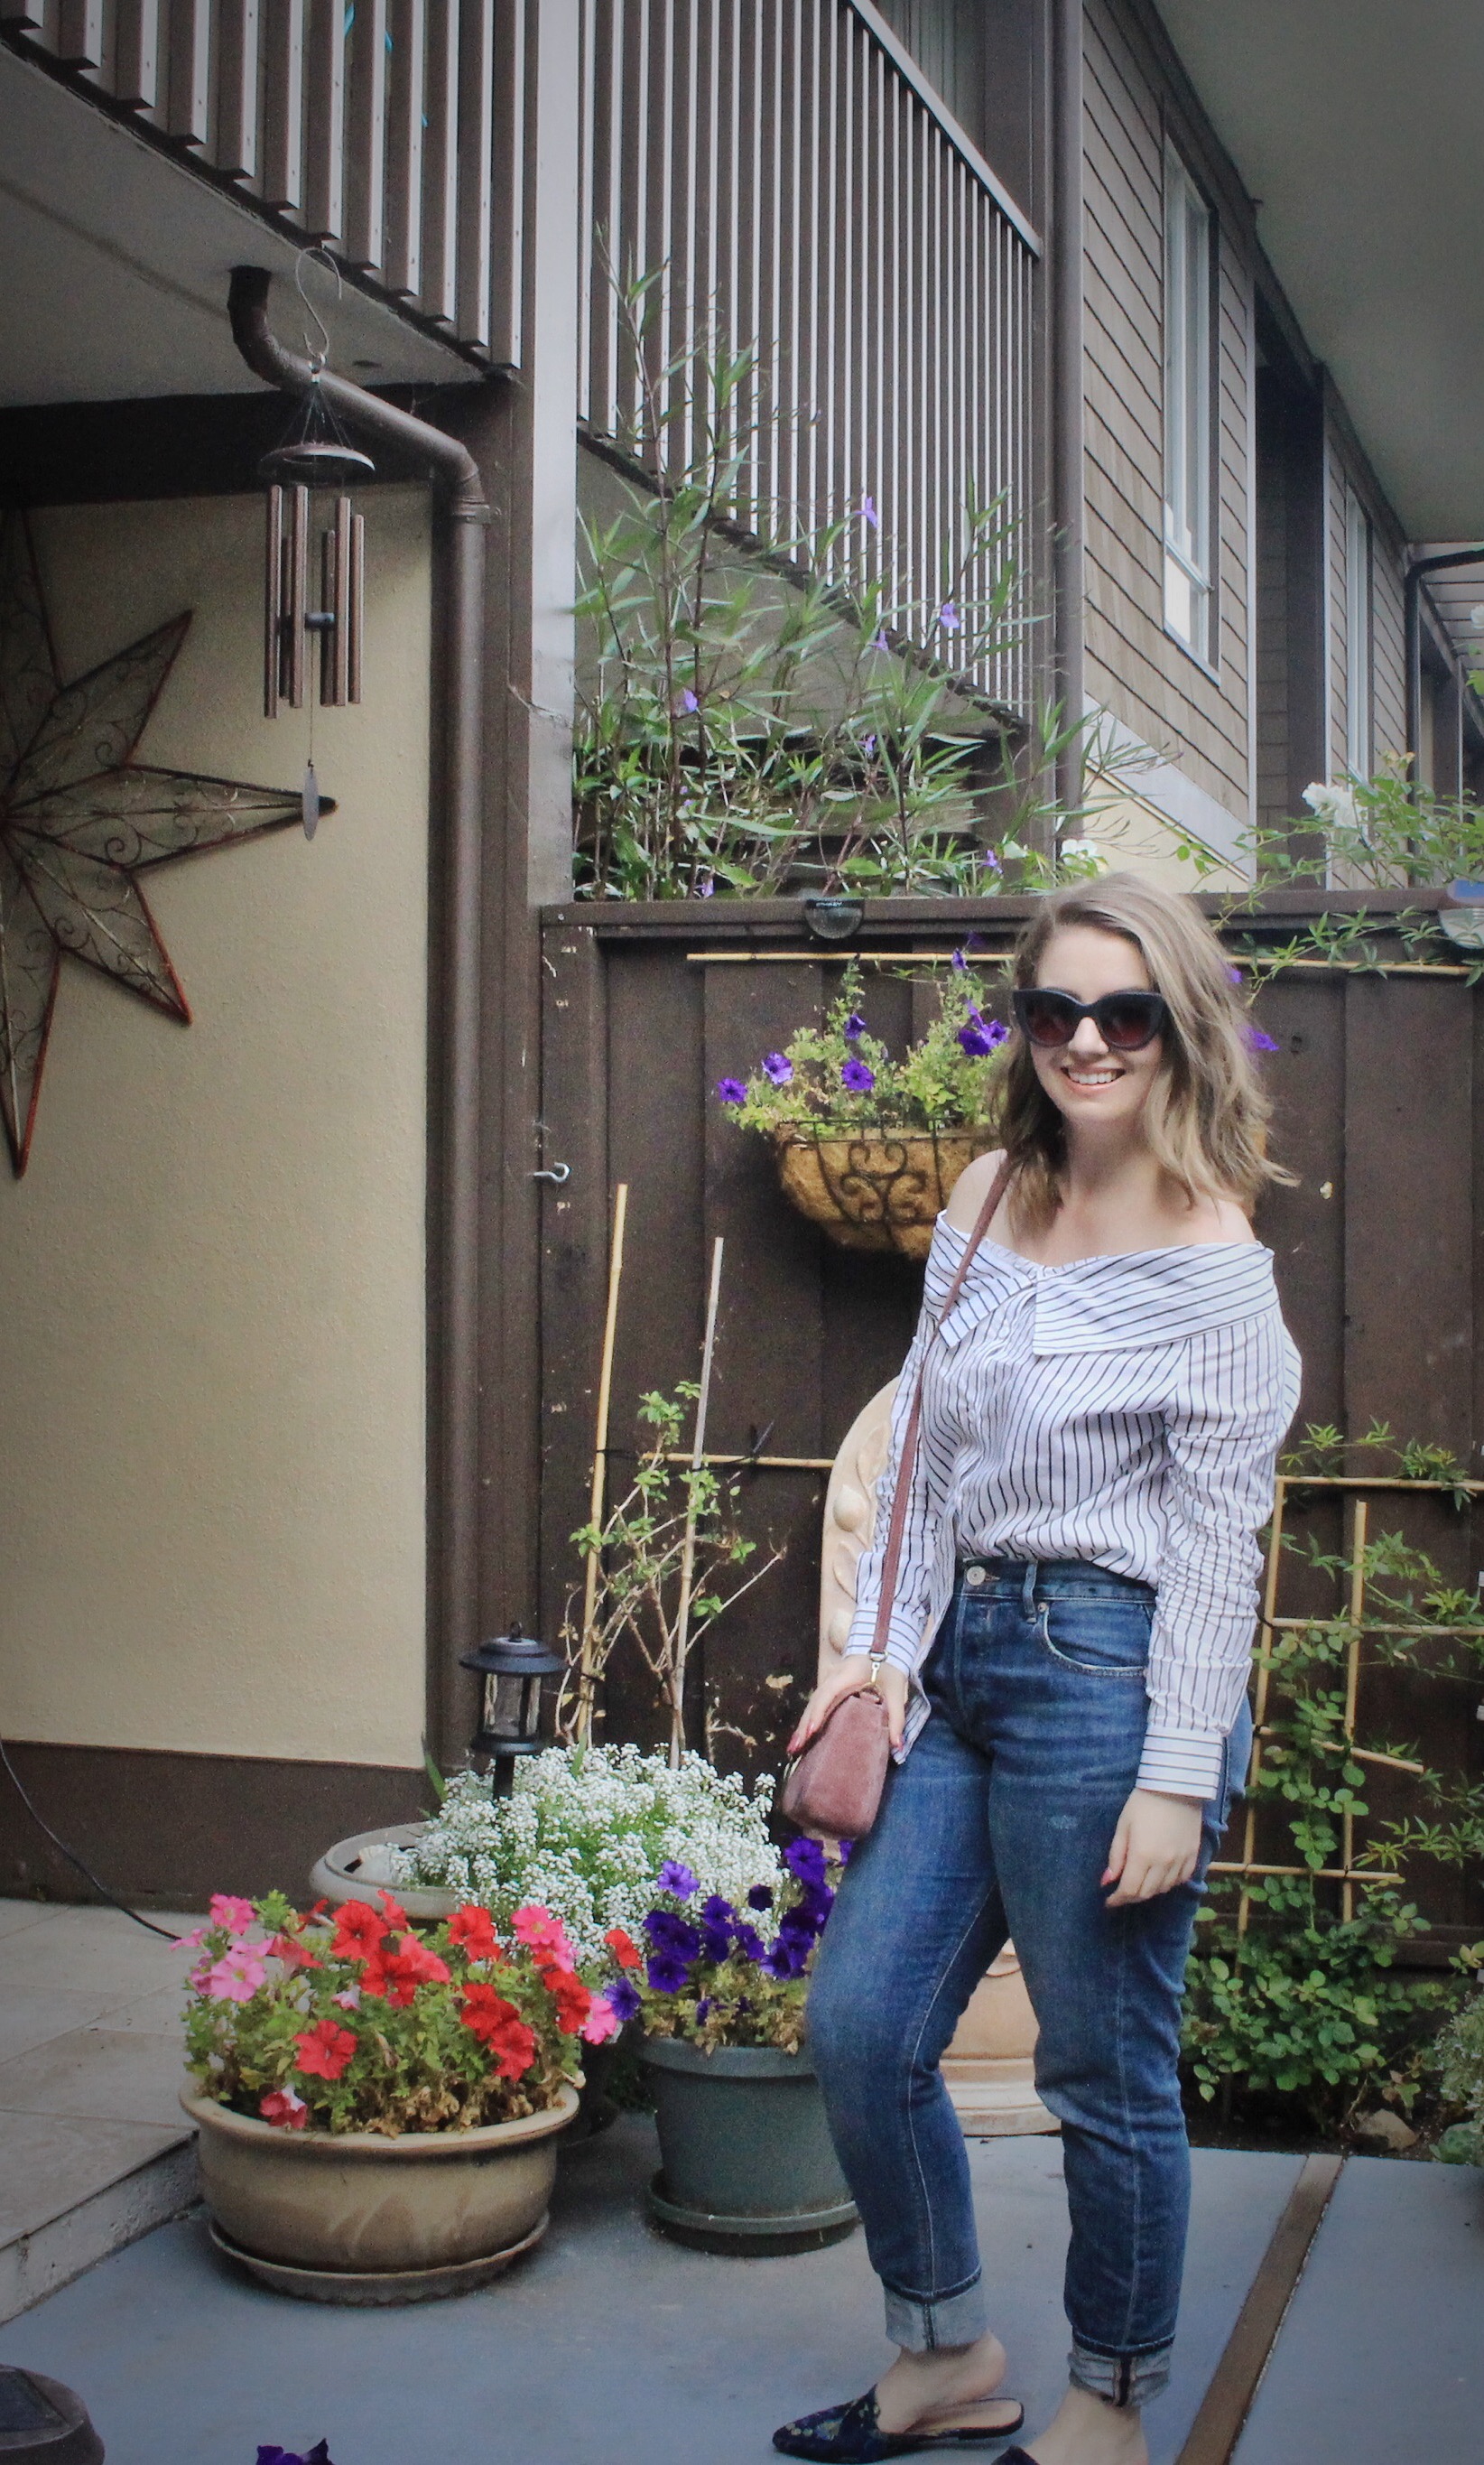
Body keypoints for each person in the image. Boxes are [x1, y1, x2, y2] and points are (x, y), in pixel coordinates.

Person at [774, 875, 1302, 2465]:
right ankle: (945, 2350)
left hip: (1109, 1674)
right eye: (1055, 1009)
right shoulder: (992, 1195)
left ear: (1177, 1032)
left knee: (1101, 2068)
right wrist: (872, 1651)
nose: (1085, 1039)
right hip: (961, 1662)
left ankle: (1109, 2404)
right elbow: (926, 1447)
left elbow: (1220, 1550)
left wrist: (1174, 1770)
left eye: (1122, 1013)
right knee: (862, 2025)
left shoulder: (1216, 1266)